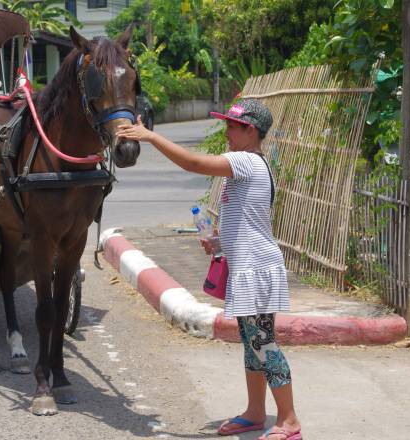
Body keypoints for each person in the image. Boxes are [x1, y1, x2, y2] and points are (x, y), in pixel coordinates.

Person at [116, 98, 302, 440]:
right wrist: (219, 243)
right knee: (251, 343)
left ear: (251, 131)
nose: (226, 132)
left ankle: (288, 420)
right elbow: (249, 220)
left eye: (232, 126)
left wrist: (151, 137)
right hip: (247, 266)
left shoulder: (246, 160)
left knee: (263, 342)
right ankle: (255, 412)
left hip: (257, 268)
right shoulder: (246, 165)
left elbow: (193, 163)